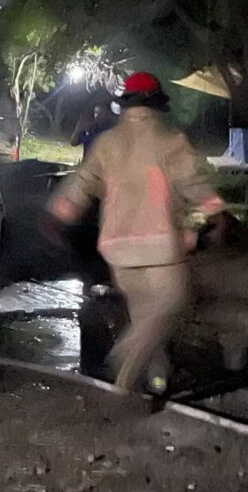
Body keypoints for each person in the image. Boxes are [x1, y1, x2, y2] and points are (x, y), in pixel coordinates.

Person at [47, 72, 224, 393]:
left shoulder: (107, 144)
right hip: (161, 249)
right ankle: (124, 361)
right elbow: (193, 181)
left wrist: (61, 214)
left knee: (145, 318)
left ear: (126, 105)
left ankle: (154, 384)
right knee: (172, 302)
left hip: (118, 251)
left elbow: (82, 183)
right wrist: (216, 211)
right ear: (157, 105)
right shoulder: (170, 142)